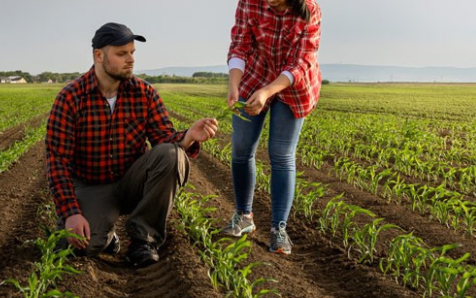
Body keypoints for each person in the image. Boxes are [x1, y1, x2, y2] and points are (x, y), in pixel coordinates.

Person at [46, 22, 219, 267]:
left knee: (173, 155)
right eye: (121, 53)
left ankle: (144, 239)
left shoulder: (144, 93)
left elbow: (163, 138)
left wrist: (189, 135)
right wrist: (71, 213)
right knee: (74, 248)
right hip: (93, 185)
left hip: (131, 181)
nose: (130, 59)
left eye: (132, 53)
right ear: (98, 55)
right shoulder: (71, 98)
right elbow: (57, 162)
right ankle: (107, 237)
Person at [221, 0, 322, 255]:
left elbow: (300, 62)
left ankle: (279, 229)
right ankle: (244, 216)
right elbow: (240, 43)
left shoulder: (310, 10)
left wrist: (267, 92)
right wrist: (234, 85)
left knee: (281, 154)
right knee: (241, 148)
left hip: (294, 86)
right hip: (255, 75)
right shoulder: (249, 2)